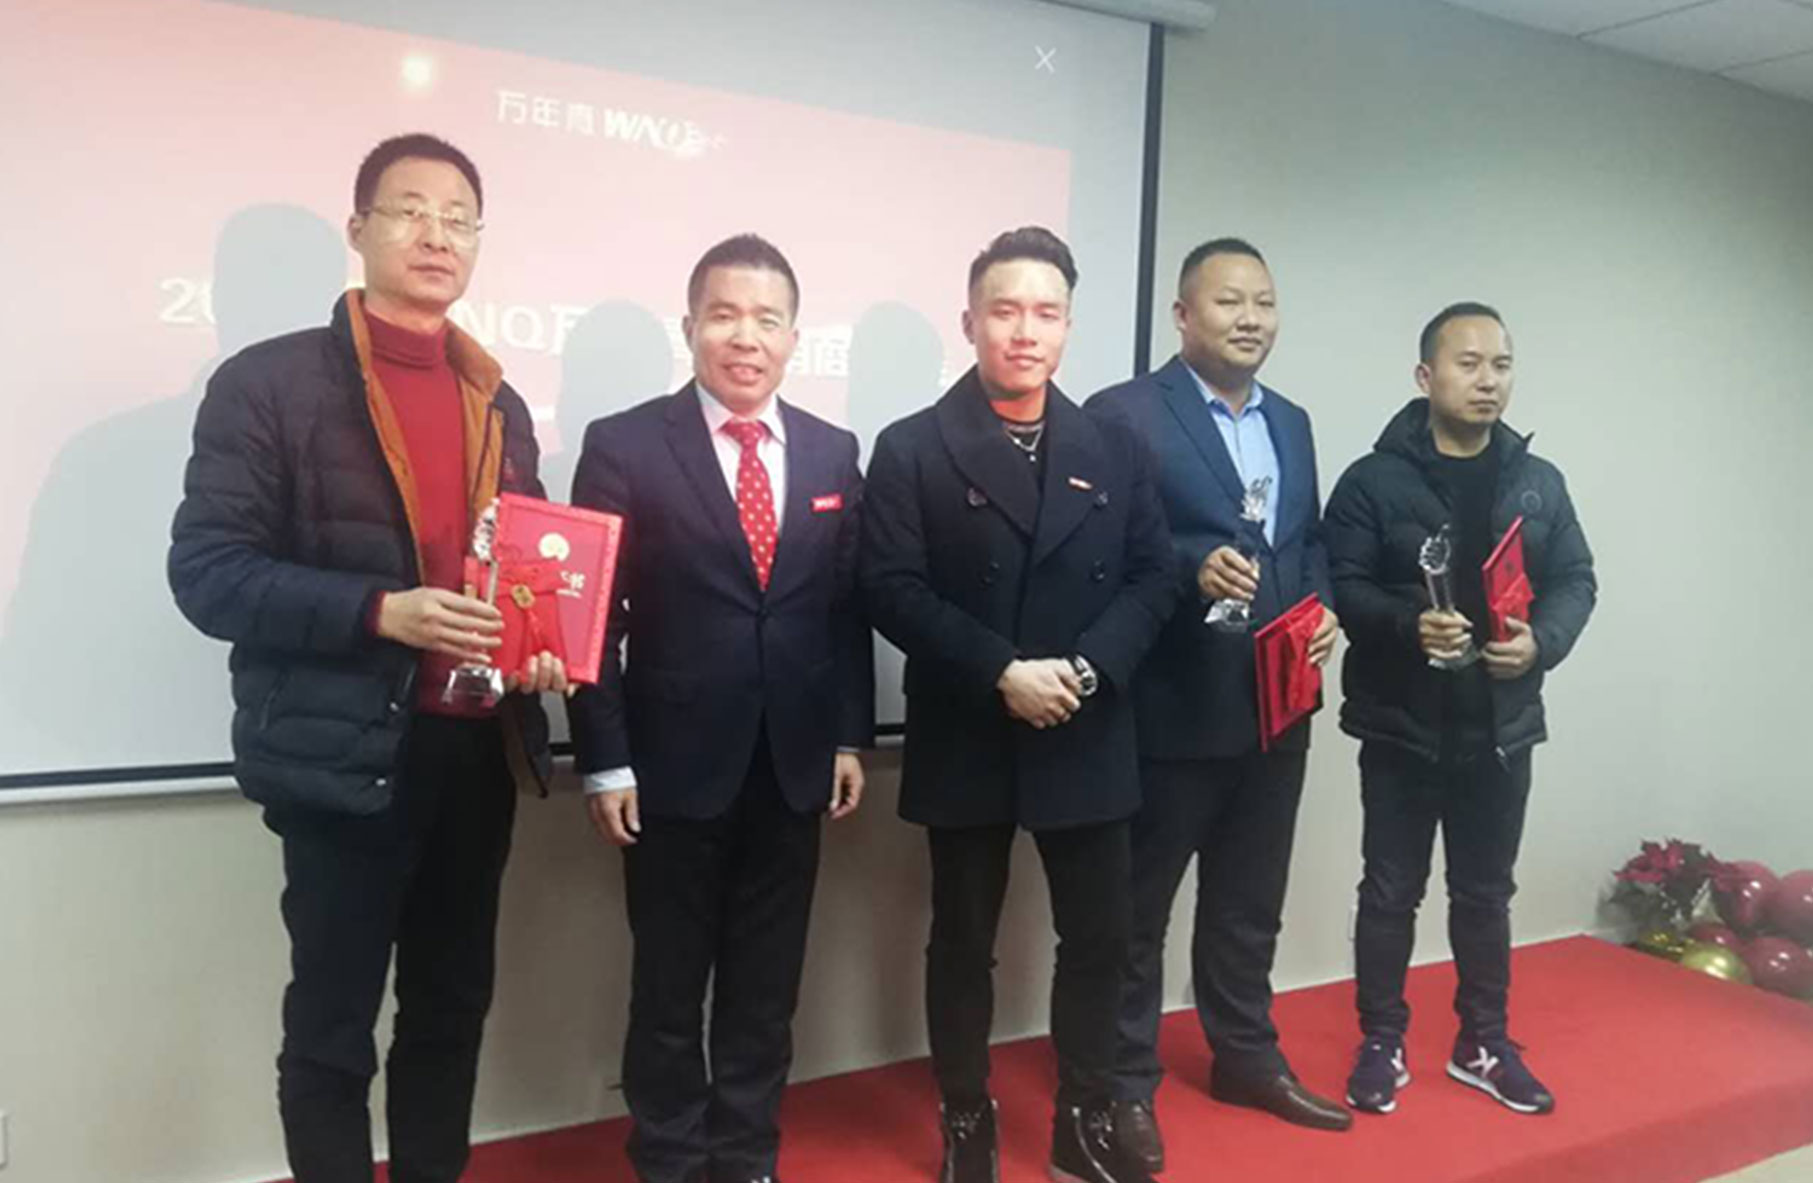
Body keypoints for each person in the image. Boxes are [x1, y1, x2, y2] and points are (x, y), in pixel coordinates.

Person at [169, 133, 563, 1183]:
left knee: (449, 1009)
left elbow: (521, 576)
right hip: (344, 759)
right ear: (360, 229)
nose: (437, 235)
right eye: (410, 210)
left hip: (475, 752)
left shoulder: (499, 401)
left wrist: (538, 648)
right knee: (334, 1024)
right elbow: (206, 574)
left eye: (459, 219)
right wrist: (381, 612)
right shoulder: (269, 384)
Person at [860, 227, 1174, 1183]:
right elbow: (889, 587)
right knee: (962, 941)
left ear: (1068, 325)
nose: (1024, 331)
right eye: (1004, 311)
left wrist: (1086, 669)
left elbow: (1155, 574)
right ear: (970, 322)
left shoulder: (1113, 444)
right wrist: (1001, 669)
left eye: (1045, 312)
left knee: (1102, 938)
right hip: (970, 722)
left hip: (1085, 719)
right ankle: (966, 1115)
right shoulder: (912, 445)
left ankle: (1083, 1115)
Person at [567, 234, 873, 1183]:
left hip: (791, 765)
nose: (746, 337)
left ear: (793, 337)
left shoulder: (831, 450)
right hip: (668, 769)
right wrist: (604, 759)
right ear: (691, 325)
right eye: (725, 315)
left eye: (767, 319)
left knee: (765, 986)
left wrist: (849, 735)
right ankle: (667, 1156)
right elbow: (592, 620)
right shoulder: (623, 444)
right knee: (668, 988)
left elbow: (845, 610)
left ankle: (745, 1154)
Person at [1087, 238, 1349, 1174]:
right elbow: (1096, 552)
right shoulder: (1122, 414)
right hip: (1168, 708)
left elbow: (1306, 542)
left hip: (1276, 704)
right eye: (1229, 301)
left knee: (1248, 903)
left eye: (1264, 302)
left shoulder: (1292, 421)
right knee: (1136, 914)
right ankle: (1122, 1081)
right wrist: (1189, 568)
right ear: (1182, 315)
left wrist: (1322, 608)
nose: (1250, 318)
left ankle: (1245, 1056)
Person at [1323, 302, 1596, 1117]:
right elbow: (1340, 584)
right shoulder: (1372, 481)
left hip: (1500, 728)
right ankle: (1381, 1039)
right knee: (1389, 890)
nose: (1487, 381)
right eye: (1467, 363)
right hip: (1401, 725)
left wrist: (1542, 642)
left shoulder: (1537, 482)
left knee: (1484, 894)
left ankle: (1482, 1040)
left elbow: (1575, 578)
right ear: (1425, 376)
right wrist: (1408, 623)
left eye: (1500, 365)